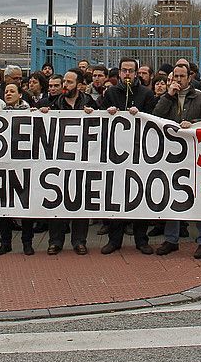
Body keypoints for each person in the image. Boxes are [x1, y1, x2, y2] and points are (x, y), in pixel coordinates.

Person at [154, 62, 201, 256]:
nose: (178, 80)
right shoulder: (167, 97)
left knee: (199, 195)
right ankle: (171, 239)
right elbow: (156, 116)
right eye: (175, 76)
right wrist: (168, 96)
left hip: (196, 154)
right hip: (172, 154)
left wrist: (194, 124)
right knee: (174, 194)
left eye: (181, 76)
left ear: (190, 77)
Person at [39, 68, 97, 255]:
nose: (65, 85)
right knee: (56, 200)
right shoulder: (53, 104)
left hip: (83, 161)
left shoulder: (90, 102)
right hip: (59, 161)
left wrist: (96, 114)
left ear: (79, 85)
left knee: (80, 201)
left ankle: (79, 241)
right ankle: (55, 241)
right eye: (64, 81)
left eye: (70, 82)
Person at [101, 58, 154, 255]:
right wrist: (108, 112)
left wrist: (141, 114)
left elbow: (153, 118)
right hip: (116, 153)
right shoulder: (112, 93)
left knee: (140, 195)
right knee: (117, 197)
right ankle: (114, 240)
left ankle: (141, 240)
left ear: (137, 73)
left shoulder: (146, 94)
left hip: (139, 152)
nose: (127, 74)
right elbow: (99, 116)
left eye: (131, 71)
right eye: (124, 71)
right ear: (119, 73)